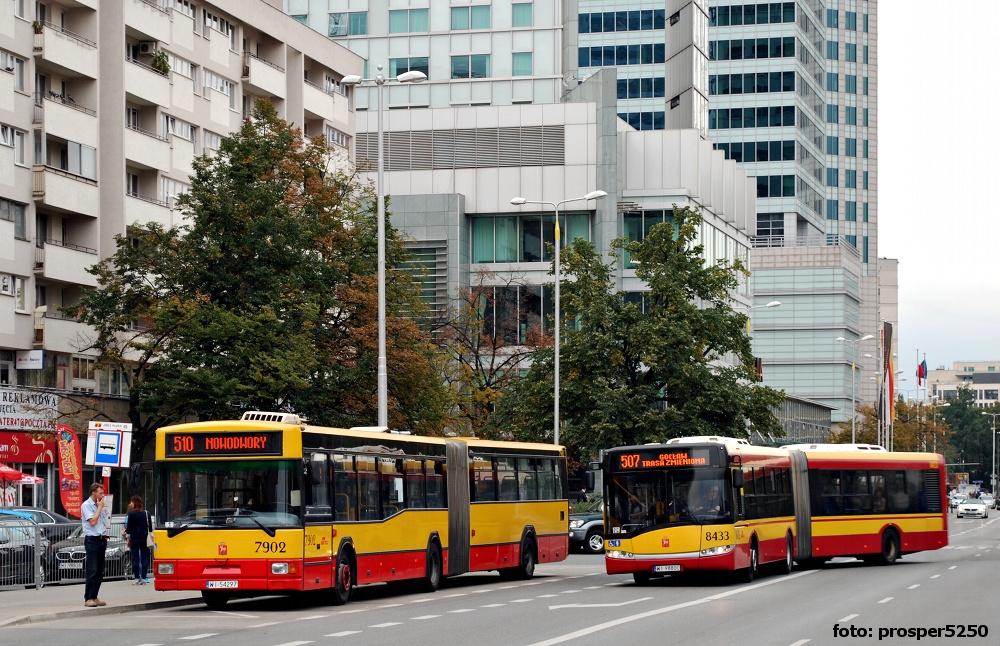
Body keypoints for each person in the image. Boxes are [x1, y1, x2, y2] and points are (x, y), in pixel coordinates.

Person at [81, 482, 110, 607]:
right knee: (92, 569)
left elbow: (103, 522)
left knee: (100, 570)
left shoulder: (100, 505)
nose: (102, 495)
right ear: (94, 493)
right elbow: (92, 521)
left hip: (101, 539)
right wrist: (99, 508)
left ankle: (95, 595)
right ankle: (88, 598)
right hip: (92, 540)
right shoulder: (86, 505)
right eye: (100, 493)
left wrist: (103, 508)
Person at [124, 495, 152, 585]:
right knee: (144, 559)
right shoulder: (147, 513)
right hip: (144, 539)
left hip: (134, 538)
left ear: (134, 503)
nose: (131, 503)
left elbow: (129, 527)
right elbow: (150, 527)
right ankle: (144, 578)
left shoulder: (131, 514)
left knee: (135, 559)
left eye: (131, 502)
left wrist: (128, 538)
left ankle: (136, 578)